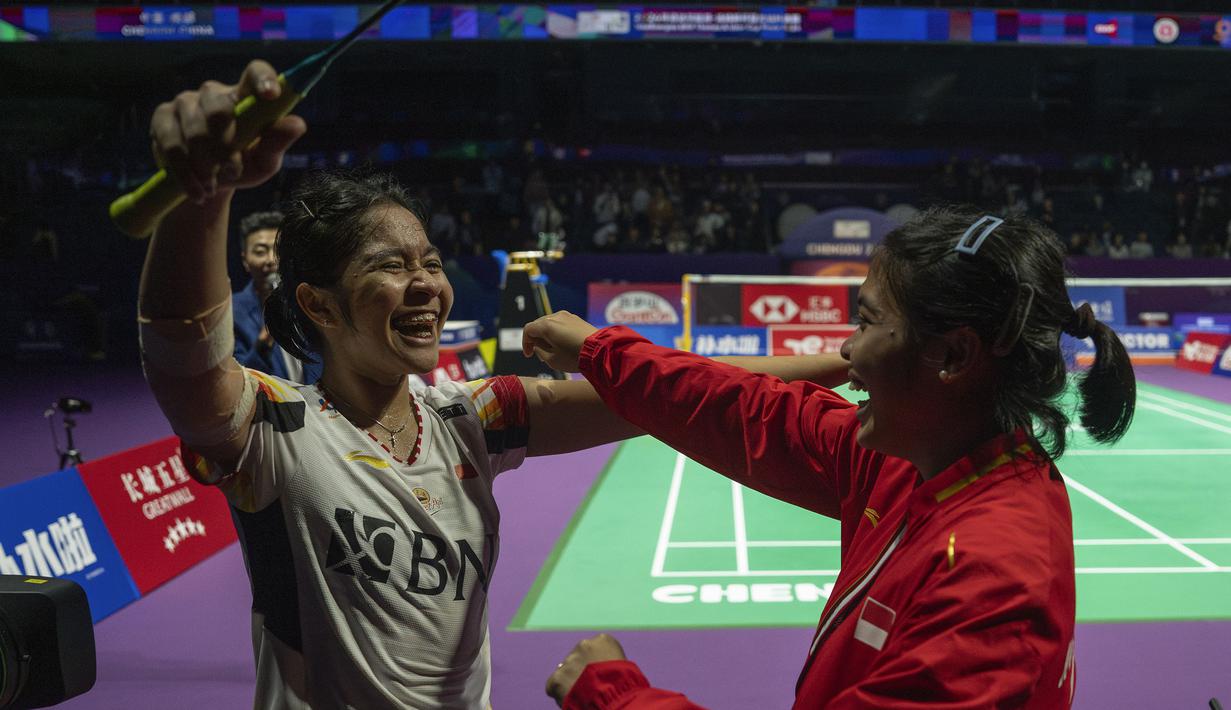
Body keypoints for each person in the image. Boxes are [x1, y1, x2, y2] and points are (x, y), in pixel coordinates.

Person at [136, 61, 851, 709]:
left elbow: (689, 390)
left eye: (432, 261)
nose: (425, 285)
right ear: (318, 303)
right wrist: (207, 190)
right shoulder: (272, 428)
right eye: (390, 266)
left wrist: (851, 360)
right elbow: (182, 342)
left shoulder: (471, 417)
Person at [523, 206, 1137, 708]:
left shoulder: (992, 580)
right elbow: (746, 412)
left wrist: (613, 694)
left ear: (952, 356)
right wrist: (603, 353)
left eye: (868, 323)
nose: (848, 349)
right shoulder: (919, 461)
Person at [232, 209, 322, 383]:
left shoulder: (310, 300)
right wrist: (265, 339)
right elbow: (237, 381)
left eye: (277, 250)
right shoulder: (233, 312)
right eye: (260, 251)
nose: (271, 260)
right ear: (245, 260)